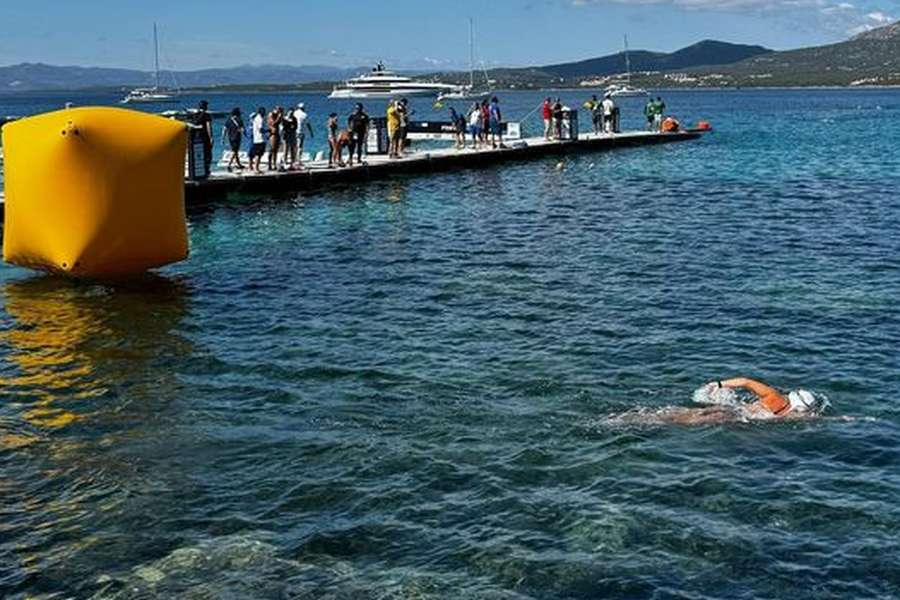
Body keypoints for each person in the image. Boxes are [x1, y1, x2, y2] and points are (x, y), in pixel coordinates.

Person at [605, 378, 821, 426]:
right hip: (734, 418)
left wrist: (718, 384)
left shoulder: (772, 394)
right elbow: (818, 418)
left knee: (680, 413)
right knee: (682, 422)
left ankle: (631, 417)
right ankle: (633, 422)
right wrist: (843, 418)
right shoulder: (789, 414)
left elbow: (745, 381)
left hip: (730, 408)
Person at [192, 100, 213, 176]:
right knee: (208, 155)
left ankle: (198, 170)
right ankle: (206, 171)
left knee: (198, 154)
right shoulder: (207, 115)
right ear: (205, 106)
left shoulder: (194, 115)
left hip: (196, 138)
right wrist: (211, 137)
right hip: (205, 137)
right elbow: (208, 127)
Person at [222, 107, 245, 171]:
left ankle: (239, 164)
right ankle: (229, 165)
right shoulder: (239, 120)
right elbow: (242, 130)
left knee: (235, 151)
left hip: (230, 138)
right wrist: (245, 134)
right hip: (237, 138)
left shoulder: (228, 120)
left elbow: (224, 130)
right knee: (235, 151)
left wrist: (223, 138)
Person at [292, 102, 313, 168]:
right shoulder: (305, 115)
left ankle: (294, 159)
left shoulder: (295, 113)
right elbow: (308, 124)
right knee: (300, 146)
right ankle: (298, 160)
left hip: (294, 131)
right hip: (301, 132)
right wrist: (311, 132)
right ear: (303, 108)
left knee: (294, 146)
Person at [248, 106, 267, 173]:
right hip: (260, 139)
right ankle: (256, 168)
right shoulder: (260, 119)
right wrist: (268, 131)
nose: (265, 113)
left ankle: (254, 167)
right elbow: (260, 129)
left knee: (257, 154)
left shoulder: (256, 118)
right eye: (264, 112)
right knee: (258, 155)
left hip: (256, 139)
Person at [267, 106, 283, 171]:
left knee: (276, 151)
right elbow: (273, 124)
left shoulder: (277, 116)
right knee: (272, 150)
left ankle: (274, 164)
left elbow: (279, 123)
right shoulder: (270, 115)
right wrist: (279, 117)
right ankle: (269, 165)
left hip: (277, 134)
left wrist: (280, 116)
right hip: (273, 135)